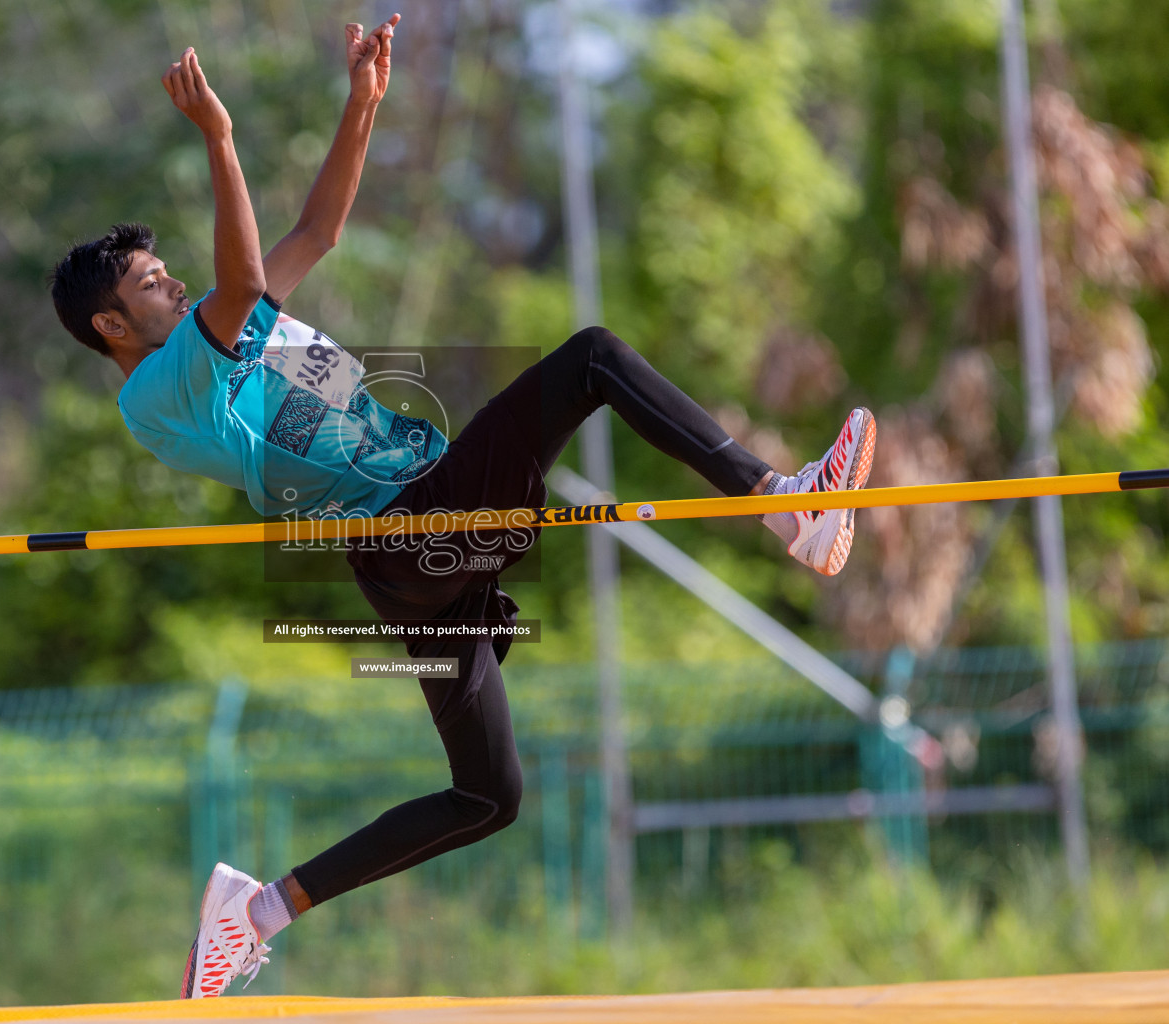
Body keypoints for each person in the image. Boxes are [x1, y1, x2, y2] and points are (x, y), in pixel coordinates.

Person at [47, 16, 875, 1000]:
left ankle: (256, 910)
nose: (172, 281)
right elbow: (247, 275)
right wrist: (219, 140)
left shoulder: (232, 329)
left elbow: (315, 235)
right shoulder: (159, 387)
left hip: (414, 545)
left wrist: (361, 105)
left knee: (487, 795)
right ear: (111, 324)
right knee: (594, 358)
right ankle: (784, 506)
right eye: (150, 282)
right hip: (411, 521)